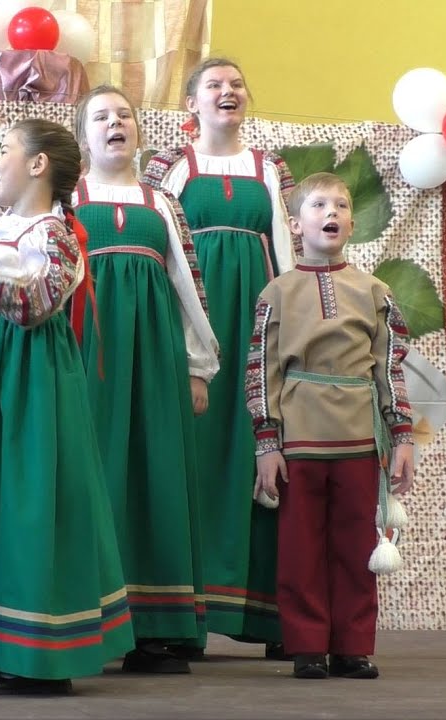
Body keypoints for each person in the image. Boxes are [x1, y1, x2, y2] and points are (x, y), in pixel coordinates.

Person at [0, 112, 134, 695]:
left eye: (4, 151)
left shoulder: (59, 233)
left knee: (29, 495)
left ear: (38, 165)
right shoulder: (3, 221)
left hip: (32, 375)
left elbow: (33, 303)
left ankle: (39, 654)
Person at [143, 57, 295, 659]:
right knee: (195, 461)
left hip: (259, 323)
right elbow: (164, 255)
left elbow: (286, 247)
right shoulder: (170, 167)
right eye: (214, 85)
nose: (228, 91)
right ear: (191, 103)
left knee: (263, 455)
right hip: (195, 327)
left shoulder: (270, 168)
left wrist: (288, 325)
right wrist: (182, 348)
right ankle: (185, 617)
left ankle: (271, 617)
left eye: (236, 83)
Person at [69, 85, 219, 674]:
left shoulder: (163, 203)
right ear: (83, 137)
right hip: (88, 358)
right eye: (101, 117)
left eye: (123, 115)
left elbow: (190, 289)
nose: (115, 124)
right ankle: (87, 619)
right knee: (94, 474)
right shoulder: (67, 198)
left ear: (138, 130)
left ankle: (158, 629)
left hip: (155, 362)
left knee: (157, 476)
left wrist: (196, 367)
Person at [245, 172, 415, 680]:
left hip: (360, 441)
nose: (332, 212)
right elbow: (260, 370)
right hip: (298, 440)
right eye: (319, 205)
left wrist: (402, 436)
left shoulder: (374, 291)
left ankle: (353, 645)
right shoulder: (276, 293)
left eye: (340, 204)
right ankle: (307, 646)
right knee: (300, 550)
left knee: (354, 546)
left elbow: (390, 365)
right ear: (296, 224)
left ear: (352, 223)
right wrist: (266, 444)